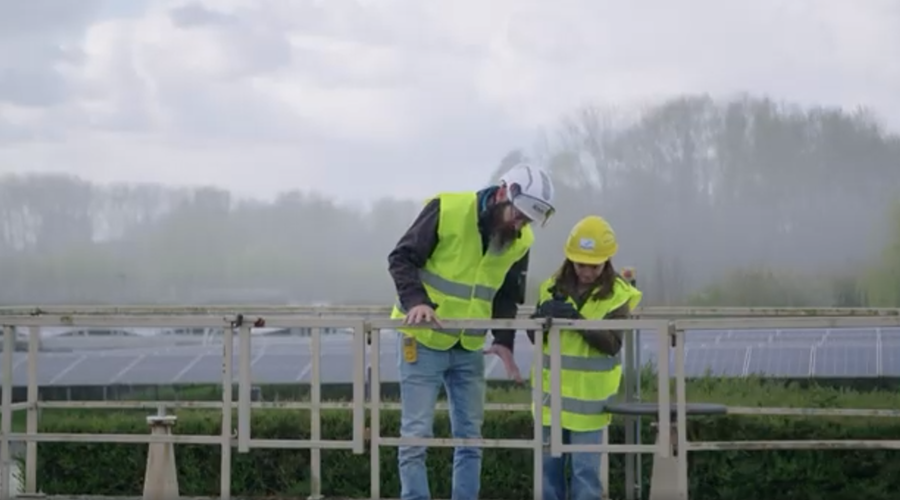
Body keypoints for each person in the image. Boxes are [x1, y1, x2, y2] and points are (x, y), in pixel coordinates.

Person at [387, 163, 556, 500]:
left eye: (527, 220)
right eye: (518, 215)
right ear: (502, 194)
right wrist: (417, 301)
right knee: (415, 437)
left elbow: (508, 293)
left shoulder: (521, 240)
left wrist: (503, 342)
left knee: (471, 439)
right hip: (421, 339)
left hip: (470, 345)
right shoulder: (447, 208)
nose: (521, 224)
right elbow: (401, 258)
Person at [529, 215, 642, 500]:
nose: (587, 272)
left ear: (606, 262)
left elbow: (613, 344)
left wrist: (577, 321)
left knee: (586, 479)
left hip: (590, 409)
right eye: (581, 265)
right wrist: (540, 318)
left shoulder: (618, 295)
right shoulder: (549, 288)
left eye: (594, 266)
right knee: (547, 479)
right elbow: (535, 339)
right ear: (570, 260)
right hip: (548, 403)